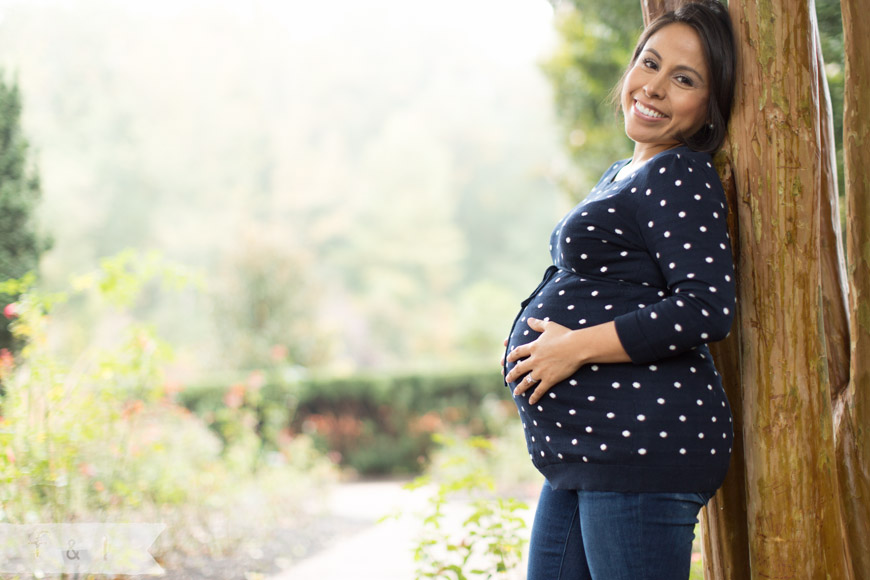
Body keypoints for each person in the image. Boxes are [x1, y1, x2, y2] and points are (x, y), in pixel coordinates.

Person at [500, 1, 737, 578]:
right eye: (649, 64)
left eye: (683, 79)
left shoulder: (681, 172)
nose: (654, 87)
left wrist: (573, 346)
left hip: (639, 453)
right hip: (589, 453)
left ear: (709, 108)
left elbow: (705, 307)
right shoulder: (622, 172)